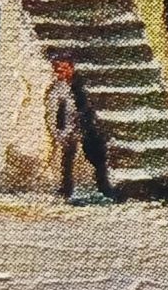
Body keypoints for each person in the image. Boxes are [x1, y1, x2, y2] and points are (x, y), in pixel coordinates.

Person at [44, 57, 116, 201]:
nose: (60, 73)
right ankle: (66, 188)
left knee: (97, 156)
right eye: (57, 70)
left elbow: (88, 106)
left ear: (71, 68)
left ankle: (104, 187)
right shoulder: (56, 89)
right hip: (68, 127)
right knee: (67, 158)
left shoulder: (81, 84)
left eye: (64, 69)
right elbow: (54, 113)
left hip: (86, 126)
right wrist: (59, 132)